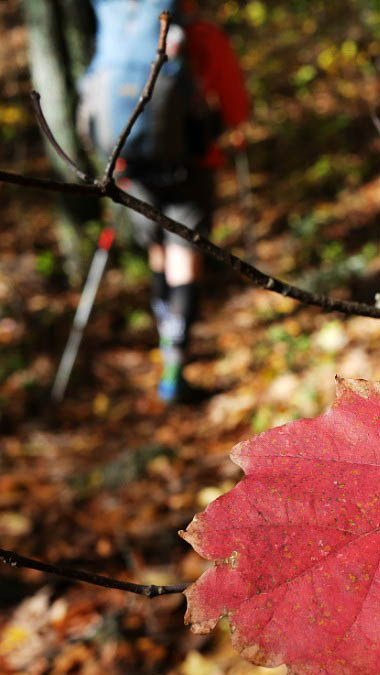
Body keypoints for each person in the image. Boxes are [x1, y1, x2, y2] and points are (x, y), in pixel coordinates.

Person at [78, 0, 249, 402]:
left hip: (131, 167)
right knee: (183, 257)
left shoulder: (118, 31)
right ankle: (175, 368)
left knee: (158, 252)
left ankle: (165, 345)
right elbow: (236, 106)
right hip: (192, 166)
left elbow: (90, 95)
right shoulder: (201, 34)